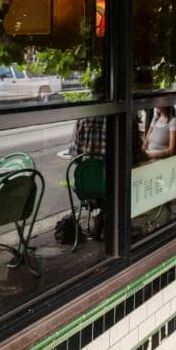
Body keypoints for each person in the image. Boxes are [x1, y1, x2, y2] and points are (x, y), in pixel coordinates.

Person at [68, 76, 107, 239]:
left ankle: (98, 212)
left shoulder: (83, 117)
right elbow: (132, 155)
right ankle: (104, 215)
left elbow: (75, 155)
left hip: (86, 184)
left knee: (95, 188)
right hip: (110, 181)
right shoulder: (116, 115)